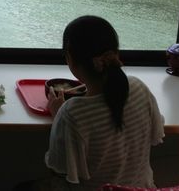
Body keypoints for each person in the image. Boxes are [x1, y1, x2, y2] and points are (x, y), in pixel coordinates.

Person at [44, 16, 164, 190]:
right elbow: (155, 134)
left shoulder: (72, 114)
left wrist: (57, 116)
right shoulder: (139, 88)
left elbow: (60, 171)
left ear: (69, 57)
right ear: (115, 53)